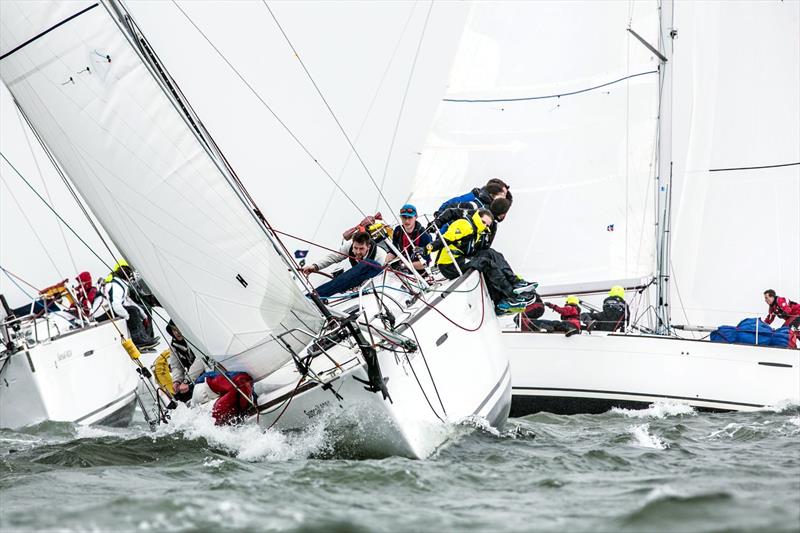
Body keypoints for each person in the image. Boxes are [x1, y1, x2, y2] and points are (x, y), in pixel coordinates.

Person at [429, 209, 536, 314]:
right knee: (485, 263)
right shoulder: (465, 225)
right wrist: (427, 248)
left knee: (492, 253)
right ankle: (512, 296)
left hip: (461, 258)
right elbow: (445, 238)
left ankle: (515, 283)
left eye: (487, 225)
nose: (485, 226)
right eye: (483, 222)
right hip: (449, 265)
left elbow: (481, 248)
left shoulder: (482, 231)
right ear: (477, 217)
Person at [301, 230, 387, 298]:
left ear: (368, 247)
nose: (357, 252)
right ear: (352, 243)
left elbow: (378, 279)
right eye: (355, 248)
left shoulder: (380, 256)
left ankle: (315, 296)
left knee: (366, 266)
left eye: (361, 249)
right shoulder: (349, 246)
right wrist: (315, 266)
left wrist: (360, 287)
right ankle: (314, 296)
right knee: (338, 282)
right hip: (356, 278)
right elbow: (334, 257)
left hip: (371, 282)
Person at [105, 264, 159, 349]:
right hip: (106, 312)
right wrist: (127, 316)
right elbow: (116, 304)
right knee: (132, 311)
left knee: (138, 310)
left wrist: (142, 313)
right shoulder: (116, 285)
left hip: (111, 309)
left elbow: (127, 301)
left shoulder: (121, 285)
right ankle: (139, 340)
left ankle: (145, 338)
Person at [385, 204, 432, 274]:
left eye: (410, 217)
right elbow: (393, 251)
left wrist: (406, 266)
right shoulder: (398, 230)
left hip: (419, 273)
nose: (406, 221)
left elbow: (425, 263)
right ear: (400, 217)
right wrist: (387, 262)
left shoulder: (424, 235)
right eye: (404, 217)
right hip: (402, 269)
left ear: (416, 217)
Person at [166, 320, 207, 403]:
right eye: (174, 330)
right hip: (191, 378)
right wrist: (177, 381)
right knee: (178, 398)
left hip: (205, 374)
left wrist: (186, 381)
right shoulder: (174, 345)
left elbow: (201, 359)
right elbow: (176, 366)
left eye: (179, 329)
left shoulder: (194, 339)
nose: (177, 332)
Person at [436, 178, 509, 215]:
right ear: (492, 194)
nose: (504, 199)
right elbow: (447, 205)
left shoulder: (489, 207)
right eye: (503, 195)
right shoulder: (473, 198)